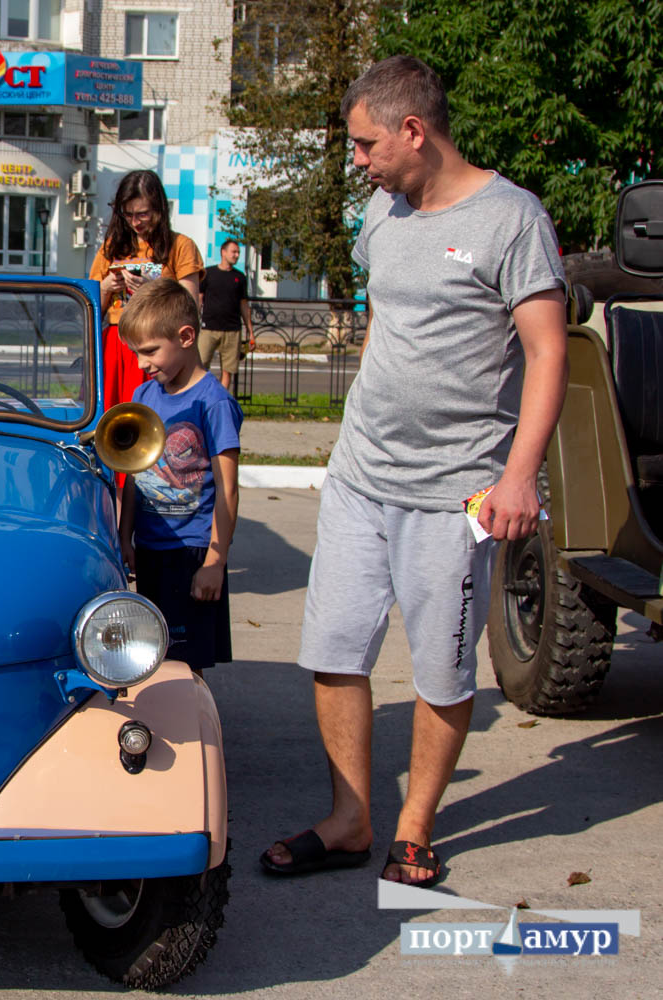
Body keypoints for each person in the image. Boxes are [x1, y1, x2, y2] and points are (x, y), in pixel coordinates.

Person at [260, 55, 568, 888]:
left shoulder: (513, 220)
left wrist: (518, 477)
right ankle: (351, 819)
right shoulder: (380, 212)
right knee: (334, 649)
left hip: (454, 490)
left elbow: (546, 354)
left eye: (365, 144)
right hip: (362, 475)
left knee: (440, 665)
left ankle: (414, 826)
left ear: (413, 131)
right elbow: (389, 325)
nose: (356, 161)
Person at [116, 278, 242, 673]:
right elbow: (133, 475)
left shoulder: (214, 402)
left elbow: (228, 490)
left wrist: (215, 562)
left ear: (186, 336)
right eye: (137, 353)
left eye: (150, 351)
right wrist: (125, 536)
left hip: (192, 552)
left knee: (186, 667)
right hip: (151, 549)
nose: (141, 363)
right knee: (151, 654)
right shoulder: (143, 397)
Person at [89, 170, 204, 413]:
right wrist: (107, 287)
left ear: (159, 210)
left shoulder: (181, 246)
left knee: (155, 417)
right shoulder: (111, 247)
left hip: (160, 346)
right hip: (116, 346)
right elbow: (89, 309)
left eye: (142, 214)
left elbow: (190, 306)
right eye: (128, 214)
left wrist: (152, 290)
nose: (135, 222)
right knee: (112, 418)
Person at [198, 239, 255, 394]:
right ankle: (202, 398)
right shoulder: (208, 273)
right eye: (233, 252)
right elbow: (199, 299)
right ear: (223, 252)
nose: (236, 255)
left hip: (232, 329)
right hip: (208, 328)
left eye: (238, 253)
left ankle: (221, 400)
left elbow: (244, 305)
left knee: (228, 370)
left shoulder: (239, 277)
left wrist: (250, 331)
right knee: (201, 366)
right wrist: (194, 321)